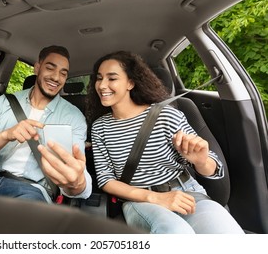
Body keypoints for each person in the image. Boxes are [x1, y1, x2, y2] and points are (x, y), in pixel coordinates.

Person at [86, 50, 244, 234]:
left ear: (130, 83)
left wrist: (200, 161)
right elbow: (106, 180)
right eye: (99, 78)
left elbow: (214, 169)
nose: (102, 85)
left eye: (112, 78)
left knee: (227, 231)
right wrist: (155, 198)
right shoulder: (99, 128)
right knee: (176, 232)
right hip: (139, 200)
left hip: (186, 191)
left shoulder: (166, 116)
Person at [0, 45, 92, 203]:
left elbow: (78, 172)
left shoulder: (74, 117)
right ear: (37, 68)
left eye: (63, 73)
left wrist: (78, 183)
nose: (56, 77)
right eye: (50, 68)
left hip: (32, 190)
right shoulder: (5, 102)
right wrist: (6, 135)